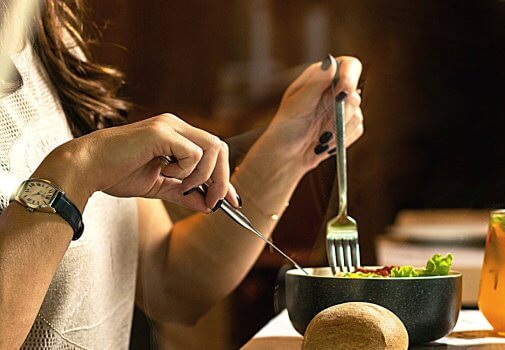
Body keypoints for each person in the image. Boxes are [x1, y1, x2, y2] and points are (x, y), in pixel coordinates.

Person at [0, 1, 364, 348]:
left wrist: (289, 149)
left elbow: (170, 281)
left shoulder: (48, 36)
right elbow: (77, 169)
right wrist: (73, 173)